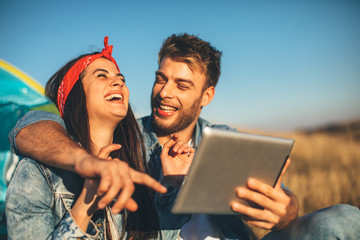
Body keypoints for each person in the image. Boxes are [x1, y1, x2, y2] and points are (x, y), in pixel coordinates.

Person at [8, 33, 360, 239]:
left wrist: (285, 211)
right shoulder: (130, 142)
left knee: (345, 220)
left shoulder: (220, 141)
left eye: (182, 85)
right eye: (161, 78)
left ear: (206, 96)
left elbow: (274, 197)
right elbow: (30, 124)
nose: (164, 93)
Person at [5, 36, 179, 239]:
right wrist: (86, 204)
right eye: (101, 76)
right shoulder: (38, 173)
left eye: (121, 79)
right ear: (76, 94)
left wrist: (173, 183)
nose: (118, 82)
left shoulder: (136, 166)